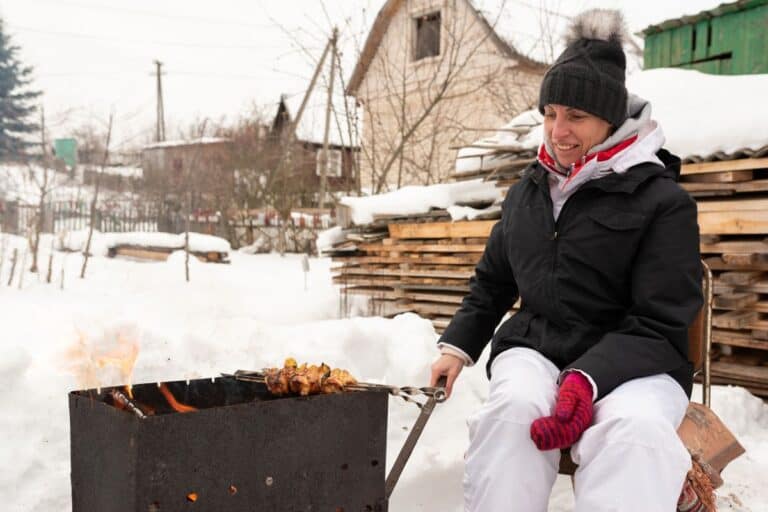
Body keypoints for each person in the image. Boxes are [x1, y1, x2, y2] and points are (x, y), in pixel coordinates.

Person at [430, 9, 705, 512]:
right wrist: (458, 347)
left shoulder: (662, 202)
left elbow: (661, 320)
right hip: (539, 349)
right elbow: (493, 282)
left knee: (634, 435)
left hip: (638, 368)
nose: (559, 130)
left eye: (576, 116)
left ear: (611, 118)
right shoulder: (528, 193)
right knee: (511, 413)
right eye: (551, 113)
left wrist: (588, 377)